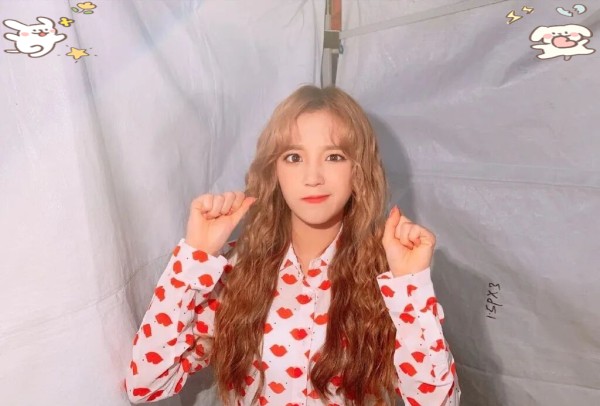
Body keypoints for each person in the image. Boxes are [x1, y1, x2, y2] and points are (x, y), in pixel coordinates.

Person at [125, 85, 460, 405]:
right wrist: (195, 257)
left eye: (334, 156)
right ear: (274, 169)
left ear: (359, 171)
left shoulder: (389, 277)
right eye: (294, 157)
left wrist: (410, 288)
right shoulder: (237, 270)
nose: (312, 177)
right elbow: (146, 383)